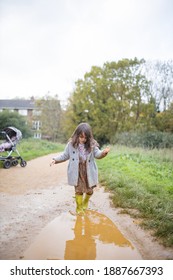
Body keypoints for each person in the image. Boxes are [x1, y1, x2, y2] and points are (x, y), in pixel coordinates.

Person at [50, 122, 110, 215]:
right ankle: (79, 208)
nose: (83, 139)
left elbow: (97, 154)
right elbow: (65, 155)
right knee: (79, 190)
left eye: (86, 137)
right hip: (76, 171)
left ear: (89, 137)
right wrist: (55, 159)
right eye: (81, 137)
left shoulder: (92, 144)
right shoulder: (71, 145)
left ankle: (85, 201)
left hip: (88, 171)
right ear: (77, 135)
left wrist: (103, 153)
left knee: (90, 191)